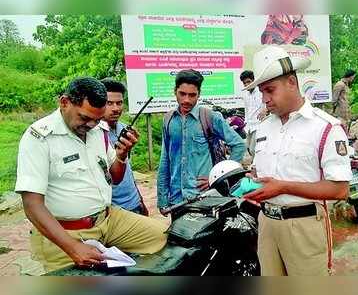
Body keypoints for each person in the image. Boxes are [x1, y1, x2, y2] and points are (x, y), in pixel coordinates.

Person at [15, 77, 167, 272]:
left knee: (167, 236)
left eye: (97, 119)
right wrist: (73, 247)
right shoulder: (39, 138)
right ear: (64, 103)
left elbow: (116, 178)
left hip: (109, 219)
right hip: (67, 232)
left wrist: (121, 156)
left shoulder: (99, 130)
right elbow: (32, 205)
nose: (91, 125)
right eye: (85, 118)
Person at [243, 46, 352, 276]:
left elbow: (340, 189)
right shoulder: (264, 127)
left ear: (292, 82)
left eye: (270, 90)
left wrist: (283, 187)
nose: (265, 99)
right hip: (267, 223)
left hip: (303, 226)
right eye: (262, 92)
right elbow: (261, 172)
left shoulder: (325, 128)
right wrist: (253, 183)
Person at [157, 69, 246, 215]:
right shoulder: (168, 119)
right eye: (182, 94)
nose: (186, 100)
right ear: (175, 92)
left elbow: (238, 144)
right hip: (176, 199)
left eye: (192, 95)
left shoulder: (210, 117)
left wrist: (220, 179)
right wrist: (162, 199)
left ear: (199, 94)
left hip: (204, 197)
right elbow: (165, 159)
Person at [101, 78, 149, 215]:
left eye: (119, 103)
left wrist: (139, 199)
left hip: (134, 203)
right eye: (109, 103)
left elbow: (128, 169)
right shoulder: (93, 134)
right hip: (113, 210)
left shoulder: (125, 129)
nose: (115, 108)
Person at [240, 70, 268, 160]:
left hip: (259, 124)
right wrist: (245, 124)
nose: (246, 84)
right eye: (244, 83)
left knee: (254, 149)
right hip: (249, 125)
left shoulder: (261, 91)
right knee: (247, 148)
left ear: (253, 80)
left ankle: (256, 167)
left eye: (248, 81)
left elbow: (270, 102)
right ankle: (255, 165)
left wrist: (266, 110)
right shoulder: (245, 94)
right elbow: (246, 110)